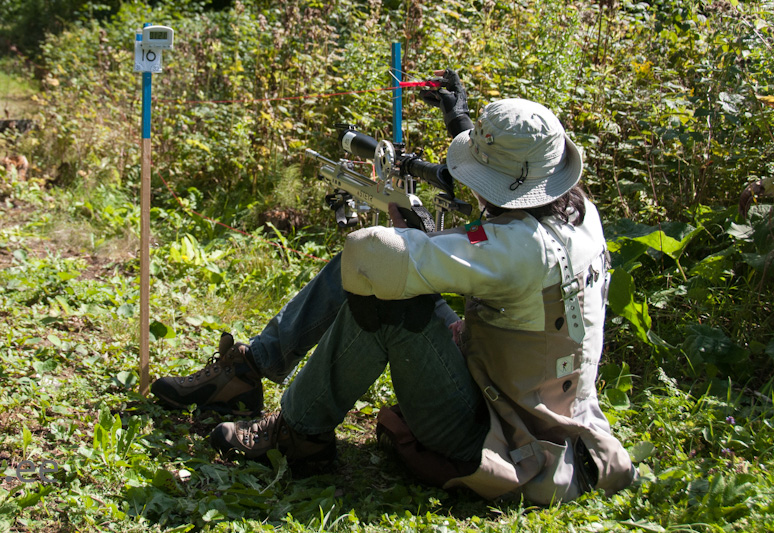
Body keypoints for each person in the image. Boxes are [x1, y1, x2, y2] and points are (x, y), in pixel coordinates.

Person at [151, 72, 634, 505]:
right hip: (545, 407)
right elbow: (503, 215)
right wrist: (460, 123)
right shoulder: (579, 214)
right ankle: (251, 369)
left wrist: (414, 239)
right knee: (388, 278)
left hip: (506, 436)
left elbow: (369, 254)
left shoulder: (516, 249)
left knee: (385, 303)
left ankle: (296, 429)